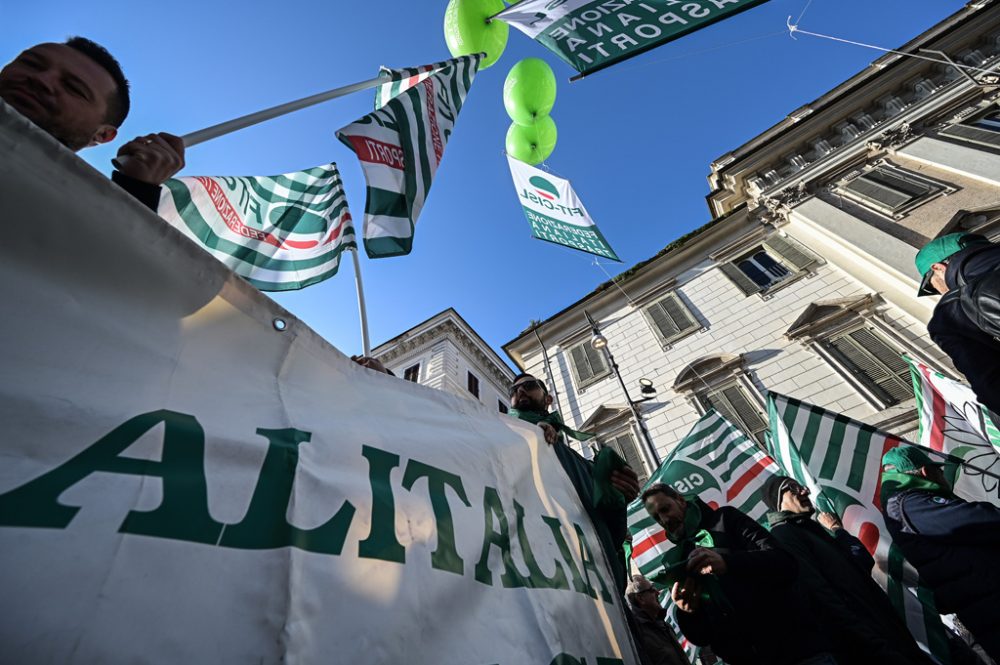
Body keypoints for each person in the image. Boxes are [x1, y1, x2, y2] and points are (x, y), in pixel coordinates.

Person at [641, 483, 835, 665]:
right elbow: (702, 637)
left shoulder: (726, 519)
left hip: (798, 651)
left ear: (681, 501)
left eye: (665, 509)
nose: (664, 520)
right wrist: (687, 612)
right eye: (657, 518)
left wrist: (728, 563)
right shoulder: (679, 560)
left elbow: (785, 562)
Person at [761, 475, 933, 665]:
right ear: (778, 500)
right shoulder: (784, 534)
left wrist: (838, 531)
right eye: (792, 488)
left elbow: (862, 561)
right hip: (867, 641)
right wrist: (867, 639)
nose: (804, 491)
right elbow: (820, 594)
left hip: (884, 627)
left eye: (800, 486)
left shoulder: (811, 530)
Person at [0, 37, 184, 210]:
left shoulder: (65, 211)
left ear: (102, 135)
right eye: (30, 64)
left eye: (73, 88)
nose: (42, 79)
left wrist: (137, 192)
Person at [507, 373, 640, 593]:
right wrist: (528, 433)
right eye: (513, 391)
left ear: (548, 399)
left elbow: (609, 539)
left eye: (529, 386)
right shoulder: (501, 436)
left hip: (591, 586)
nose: (520, 391)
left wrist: (618, 499)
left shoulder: (585, 467)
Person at [880, 446, 1000, 662]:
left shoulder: (906, 503)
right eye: (939, 471)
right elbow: (979, 521)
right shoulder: (910, 503)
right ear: (926, 472)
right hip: (988, 603)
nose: (943, 475)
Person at [916, 232, 1000, 414]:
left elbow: (992, 388)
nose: (939, 292)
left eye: (931, 285)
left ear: (938, 267)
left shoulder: (951, 313)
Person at [624, 574, 690, 665]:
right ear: (640, 598)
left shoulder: (664, 625)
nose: (658, 593)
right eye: (651, 590)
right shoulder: (635, 633)